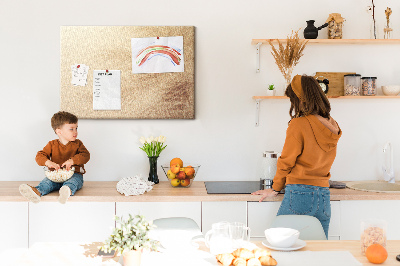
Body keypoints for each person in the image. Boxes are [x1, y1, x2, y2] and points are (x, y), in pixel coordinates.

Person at [252, 75, 342, 238]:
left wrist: (275, 188)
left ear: (300, 99)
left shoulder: (299, 124)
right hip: (323, 196)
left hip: (300, 194)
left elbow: (286, 161)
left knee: (279, 244)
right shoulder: (332, 124)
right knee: (318, 251)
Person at [19, 111, 90, 204]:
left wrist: (72, 161)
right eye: (71, 129)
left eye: (76, 128)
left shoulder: (78, 144)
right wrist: (48, 162)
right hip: (55, 176)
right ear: (59, 131)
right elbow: (40, 156)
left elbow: (85, 155)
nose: (75, 132)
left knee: (73, 182)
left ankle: (66, 191)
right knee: (46, 183)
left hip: (74, 174)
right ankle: (36, 192)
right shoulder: (52, 144)